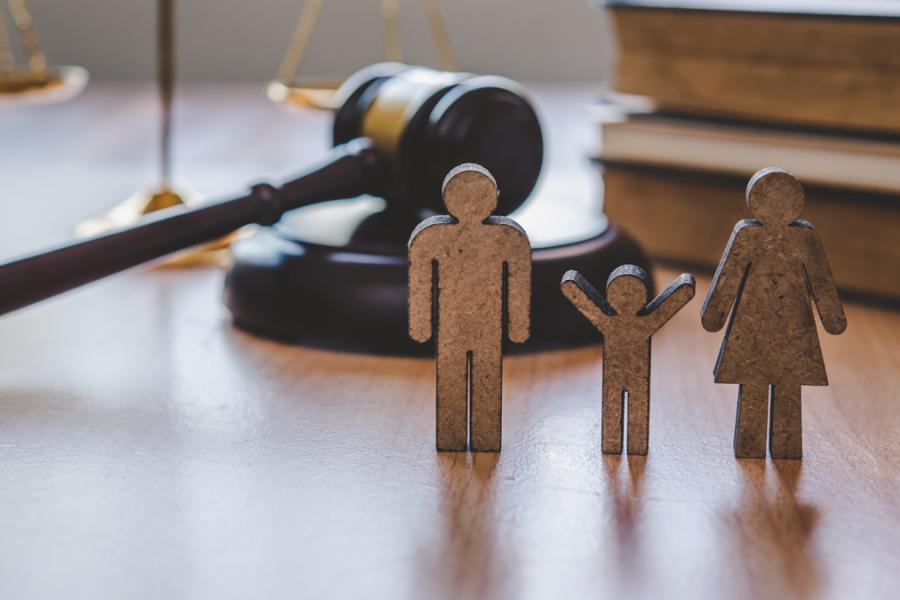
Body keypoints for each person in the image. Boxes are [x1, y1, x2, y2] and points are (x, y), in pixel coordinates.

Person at [701, 167, 847, 459]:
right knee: (766, 384)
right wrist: (833, 319)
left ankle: (776, 446)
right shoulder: (749, 236)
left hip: (785, 329)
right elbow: (729, 275)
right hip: (762, 329)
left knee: (784, 387)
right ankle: (755, 445)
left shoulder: (801, 237)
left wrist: (714, 316)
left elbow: (820, 281)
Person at [408, 164, 531, 451]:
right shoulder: (432, 237)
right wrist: (421, 325)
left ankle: (484, 437)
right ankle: (454, 436)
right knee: (452, 375)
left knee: (486, 375)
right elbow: (420, 278)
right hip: (451, 327)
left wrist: (517, 326)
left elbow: (519, 281)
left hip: (487, 326)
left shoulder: (508, 238)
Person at [562, 265, 695, 455]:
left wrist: (684, 287)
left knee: (634, 410)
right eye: (621, 292)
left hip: (635, 375)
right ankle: (616, 444)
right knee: (614, 408)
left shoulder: (633, 321)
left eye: (632, 292)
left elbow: (672, 301)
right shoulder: (613, 320)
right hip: (617, 375)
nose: (626, 299)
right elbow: (582, 298)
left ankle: (632, 445)